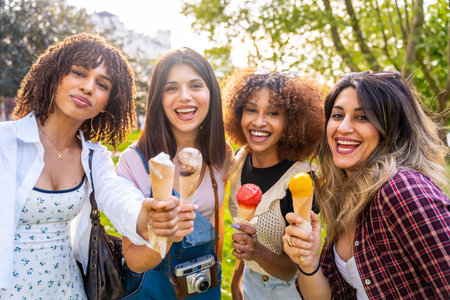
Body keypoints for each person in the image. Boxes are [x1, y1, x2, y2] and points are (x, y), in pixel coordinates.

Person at [0, 33, 182, 299]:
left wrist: (146, 214)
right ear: (55, 76)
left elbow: (116, 194)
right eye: (79, 73)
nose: (88, 87)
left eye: (102, 84)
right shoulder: (6, 141)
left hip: (68, 289)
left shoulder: (94, 157)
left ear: (108, 101)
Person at [283, 71, 450, 299]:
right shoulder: (345, 198)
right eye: (337, 115)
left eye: (362, 117)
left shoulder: (402, 189)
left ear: (390, 129)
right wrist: (308, 261)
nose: (343, 128)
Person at [115, 47, 233, 299]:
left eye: (195, 85)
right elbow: (134, 260)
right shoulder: (133, 163)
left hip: (205, 287)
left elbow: (216, 226)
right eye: (171, 88)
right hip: (151, 289)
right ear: (158, 98)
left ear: (211, 92)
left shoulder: (222, 155)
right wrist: (164, 237)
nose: (185, 97)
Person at [223, 69, 324, 300]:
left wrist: (256, 251)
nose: (258, 122)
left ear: (291, 121)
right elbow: (243, 229)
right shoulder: (239, 159)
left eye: (272, 113)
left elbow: (293, 267)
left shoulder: (301, 181)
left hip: (288, 290)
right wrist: (237, 278)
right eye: (251, 109)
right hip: (250, 283)